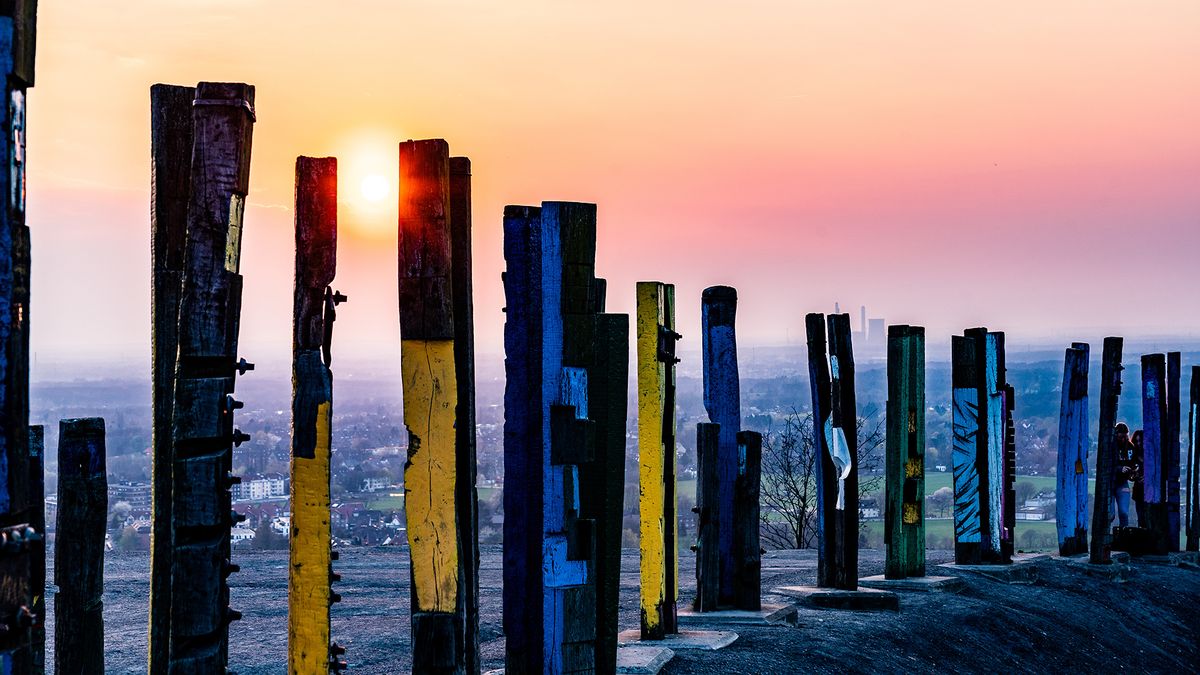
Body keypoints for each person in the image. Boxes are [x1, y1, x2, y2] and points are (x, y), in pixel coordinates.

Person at [1112, 423, 1134, 529]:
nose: (1123, 439)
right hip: (1110, 483)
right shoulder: (1110, 447)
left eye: (1125, 437)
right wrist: (1120, 469)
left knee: (1124, 512)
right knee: (1109, 513)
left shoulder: (1130, 447)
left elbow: (1134, 463)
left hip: (1122, 483)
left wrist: (1133, 471)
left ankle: (1123, 533)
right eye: (1121, 437)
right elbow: (1105, 465)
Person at [1130, 429, 1147, 527]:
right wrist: (1134, 475)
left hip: (1151, 491)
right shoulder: (1133, 456)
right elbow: (1131, 476)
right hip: (1139, 491)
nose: (1138, 443)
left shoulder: (1151, 456)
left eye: (1140, 441)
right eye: (1136, 441)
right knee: (1140, 518)